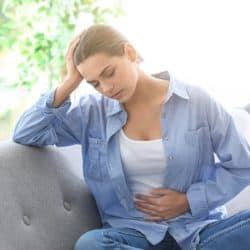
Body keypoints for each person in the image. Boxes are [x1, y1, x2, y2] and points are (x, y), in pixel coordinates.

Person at [13, 24, 250, 250]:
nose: (106, 88)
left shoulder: (196, 101)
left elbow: (242, 166)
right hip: (133, 236)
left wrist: (189, 200)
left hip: (199, 231)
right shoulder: (91, 113)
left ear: (130, 52)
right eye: (94, 83)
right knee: (91, 245)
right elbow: (27, 133)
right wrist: (70, 82)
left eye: (109, 73)